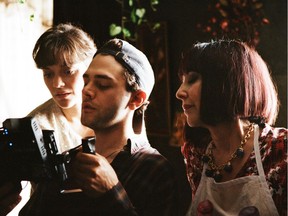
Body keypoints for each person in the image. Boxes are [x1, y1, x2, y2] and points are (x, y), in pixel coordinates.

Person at [18, 38, 179, 215]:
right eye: (86, 82)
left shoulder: (152, 168)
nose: (86, 91)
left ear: (136, 99)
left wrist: (111, 192)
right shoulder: (69, 160)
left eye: (102, 85)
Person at [175, 39, 287, 215]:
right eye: (182, 81)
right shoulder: (196, 153)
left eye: (192, 80)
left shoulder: (281, 149)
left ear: (226, 83)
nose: (179, 92)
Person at [0, 23, 96, 216]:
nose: (57, 84)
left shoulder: (113, 115)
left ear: (91, 66)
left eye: (67, 71)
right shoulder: (37, 125)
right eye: (48, 73)